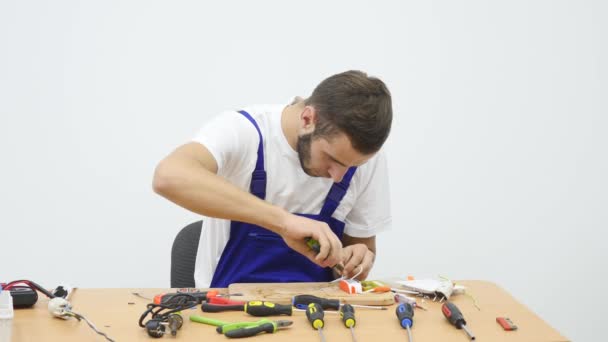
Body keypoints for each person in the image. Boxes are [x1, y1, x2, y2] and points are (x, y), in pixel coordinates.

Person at [153, 70, 393, 288]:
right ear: (308, 119)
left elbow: (362, 245)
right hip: (224, 311)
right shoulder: (244, 131)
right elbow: (169, 176)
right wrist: (284, 222)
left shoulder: (363, 160)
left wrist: (359, 257)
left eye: (352, 166)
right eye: (332, 159)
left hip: (317, 314)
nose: (339, 176)